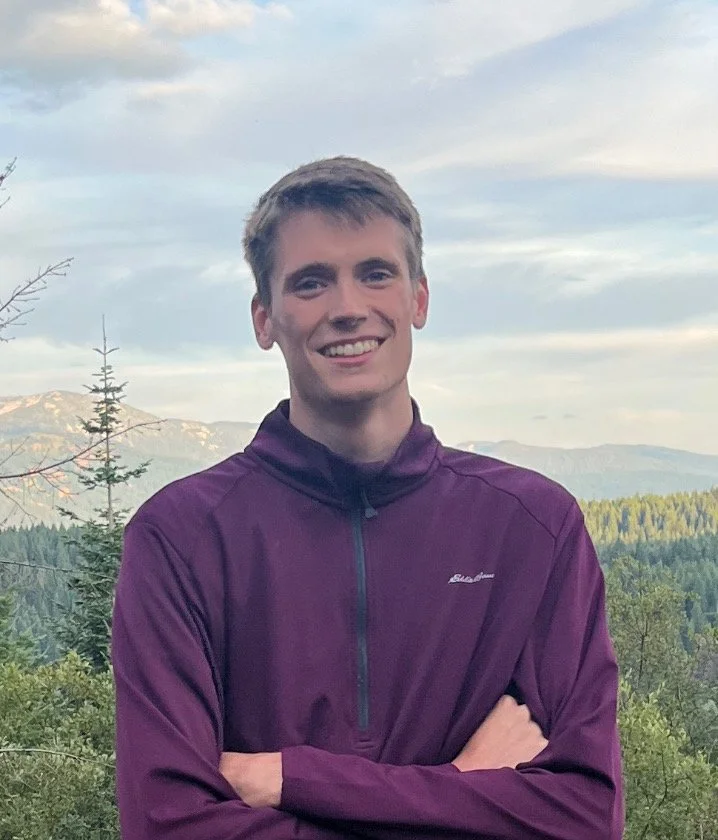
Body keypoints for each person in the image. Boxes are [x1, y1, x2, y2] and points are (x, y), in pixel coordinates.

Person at [112, 156, 624, 839]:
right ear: (264, 319)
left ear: (418, 298)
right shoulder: (182, 539)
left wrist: (292, 779)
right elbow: (168, 828)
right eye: (311, 282)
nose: (348, 307)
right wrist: (465, 790)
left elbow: (584, 819)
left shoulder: (533, 529)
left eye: (375, 273)